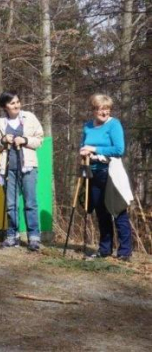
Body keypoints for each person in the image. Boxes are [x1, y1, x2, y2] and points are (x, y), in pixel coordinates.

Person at [79, 94, 131, 260]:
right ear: (94, 110)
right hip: (92, 173)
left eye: (107, 109)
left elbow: (118, 149)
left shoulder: (114, 125)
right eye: (101, 109)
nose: (104, 112)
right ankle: (104, 249)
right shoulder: (87, 126)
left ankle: (124, 252)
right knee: (101, 213)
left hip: (110, 172)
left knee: (118, 211)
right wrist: (84, 152)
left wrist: (94, 149)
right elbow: (83, 146)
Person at [0, 91, 44, 252]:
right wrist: (2, 140)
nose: (17, 105)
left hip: (27, 166)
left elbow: (40, 140)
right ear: (5, 106)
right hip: (8, 169)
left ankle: (33, 238)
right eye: (12, 103)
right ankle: (11, 236)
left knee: (30, 203)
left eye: (18, 102)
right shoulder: (0, 123)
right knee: (11, 204)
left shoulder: (29, 117)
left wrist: (26, 140)